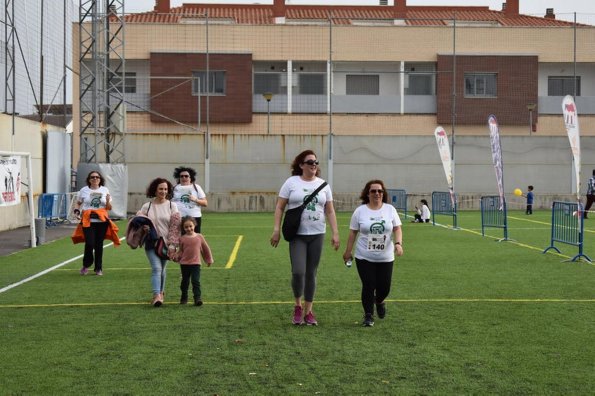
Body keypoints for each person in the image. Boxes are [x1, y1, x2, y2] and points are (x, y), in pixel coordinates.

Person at [270, 150, 340, 326]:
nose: (314, 165)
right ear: (301, 165)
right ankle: (297, 305)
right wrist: (276, 230)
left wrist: (335, 232)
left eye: (316, 162)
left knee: (311, 273)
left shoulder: (323, 185)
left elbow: (329, 210)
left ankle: (309, 311)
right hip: (298, 235)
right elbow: (279, 207)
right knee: (298, 272)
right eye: (310, 162)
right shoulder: (291, 183)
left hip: (317, 233)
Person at [342, 180, 403, 327]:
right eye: (373, 191)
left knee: (384, 287)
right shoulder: (360, 211)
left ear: (383, 193)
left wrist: (398, 243)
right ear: (367, 194)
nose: (377, 193)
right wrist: (348, 251)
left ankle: (380, 301)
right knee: (368, 285)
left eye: (380, 191)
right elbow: (353, 233)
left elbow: (397, 228)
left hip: (386, 256)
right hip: (364, 256)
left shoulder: (390, 209)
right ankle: (368, 315)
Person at [137, 177, 181, 307]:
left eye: (166, 189)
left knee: (162, 269)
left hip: (166, 244)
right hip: (151, 242)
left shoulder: (173, 206)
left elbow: (175, 227)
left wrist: (173, 245)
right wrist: (143, 227)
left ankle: (161, 293)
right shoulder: (147, 206)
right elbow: (138, 222)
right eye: (161, 189)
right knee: (156, 268)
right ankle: (156, 295)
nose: (163, 191)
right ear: (155, 190)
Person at [72, 170, 119, 276]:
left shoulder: (105, 190)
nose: (95, 179)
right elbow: (78, 203)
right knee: (89, 243)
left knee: (99, 244)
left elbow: (109, 208)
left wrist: (107, 201)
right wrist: (76, 211)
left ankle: (98, 268)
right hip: (88, 220)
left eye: (97, 177)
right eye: (92, 177)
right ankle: (86, 265)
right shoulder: (84, 190)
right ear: (89, 179)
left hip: (101, 221)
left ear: (100, 179)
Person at [174, 216, 214, 306]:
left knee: (196, 281)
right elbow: (181, 251)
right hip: (184, 264)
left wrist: (208, 260)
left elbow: (205, 249)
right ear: (183, 228)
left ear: (194, 225)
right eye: (186, 227)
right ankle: (184, 297)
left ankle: (197, 298)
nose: (189, 228)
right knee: (185, 282)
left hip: (196, 264)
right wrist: (176, 256)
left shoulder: (199, 237)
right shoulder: (182, 239)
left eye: (190, 226)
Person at [172, 166, 208, 233]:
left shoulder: (196, 187)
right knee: (181, 240)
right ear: (179, 178)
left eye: (186, 176)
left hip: (195, 217)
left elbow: (205, 203)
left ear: (190, 177)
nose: (184, 178)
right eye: (181, 176)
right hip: (179, 218)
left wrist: (195, 200)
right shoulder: (174, 188)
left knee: (194, 238)